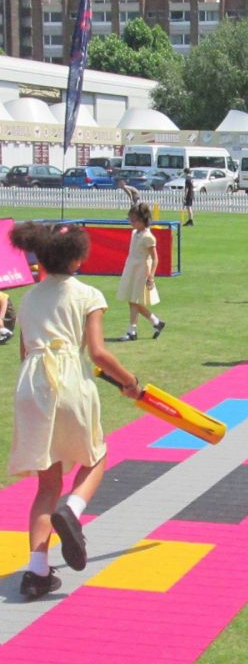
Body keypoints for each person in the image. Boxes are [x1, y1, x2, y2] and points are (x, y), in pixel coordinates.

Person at [8, 221, 142, 598]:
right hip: (68, 379)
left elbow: (25, 351)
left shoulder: (30, 297)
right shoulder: (88, 294)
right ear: (79, 258)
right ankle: (73, 509)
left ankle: (36, 571)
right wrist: (130, 381)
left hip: (32, 385)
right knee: (96, 456)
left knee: (46, 484)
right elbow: (97, 352)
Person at [116, 202, 166, 342]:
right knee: (132, 301)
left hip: (142, 271)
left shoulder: (148, 237)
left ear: (143, 220)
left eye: (134, 220)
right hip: (131, 268)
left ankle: (132, 331)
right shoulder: (135, 233)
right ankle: (156, 322)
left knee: (134, 301)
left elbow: (155, 258)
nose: (131, 223)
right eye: (131, 220)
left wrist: (151, 276)